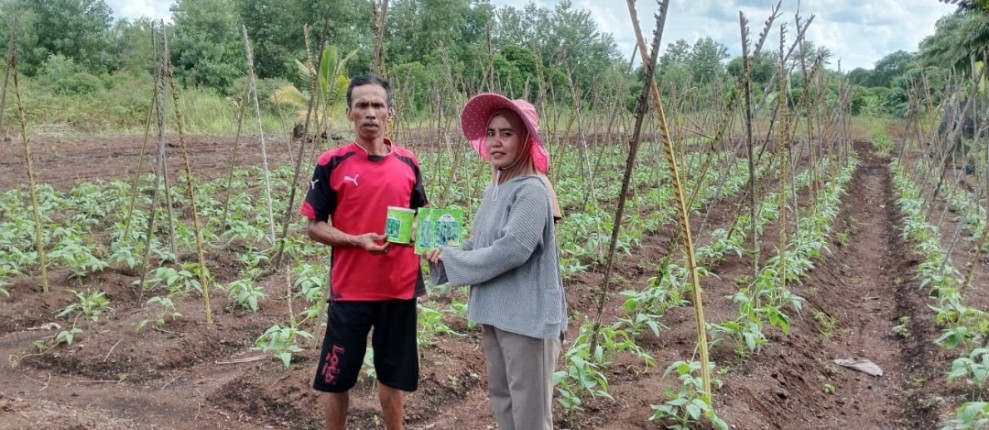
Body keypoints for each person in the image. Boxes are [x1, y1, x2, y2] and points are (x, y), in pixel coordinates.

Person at [426, 93, 566, 430]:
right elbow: (484, 243)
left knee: (530, 416)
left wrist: (456, 259)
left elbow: (513, 249)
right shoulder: (496, 187)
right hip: (496, 312)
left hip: (527, 320)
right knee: (504, 402)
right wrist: (445, 254)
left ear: (525, 139)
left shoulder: (532, 189)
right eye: (490, 133)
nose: (496, 141)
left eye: (507, 133)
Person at [300, 74, 427, 430]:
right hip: (350, 291)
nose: (370, 112)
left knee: (393, 376)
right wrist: (356, 241)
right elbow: (313, 226)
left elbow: (422, 214)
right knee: (336, 378)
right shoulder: (332, 163)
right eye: (362, 105)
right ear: (349, 114)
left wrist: (430, 241)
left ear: (391, 112)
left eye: (377, 105)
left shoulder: (408, 163)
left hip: (399, 289)